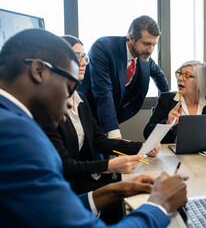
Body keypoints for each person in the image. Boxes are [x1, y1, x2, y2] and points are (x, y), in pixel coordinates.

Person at [0, 28, 187, 227]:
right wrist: (159, 205)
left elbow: (52, 211)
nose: (71, 104)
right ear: (38, 72)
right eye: (68, 88)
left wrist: (117, 190)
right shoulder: (16, 136)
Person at [44, 35, 160, 224]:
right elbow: (65, 166)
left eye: (84, 56)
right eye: (76, 56)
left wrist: (142, 147)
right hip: (68, 190)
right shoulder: (49, 109)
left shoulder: (81, 99)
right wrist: (110, 166)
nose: (83, 62)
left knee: (137, 197)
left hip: (86, 181)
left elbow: (99, 141)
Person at [79, 15, 169, 139]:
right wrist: (114, 133)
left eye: (154, 45)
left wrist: (167, 105)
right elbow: (103, 93)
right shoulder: (103, 48)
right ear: (131, 37)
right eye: (146, 44)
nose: (150, 50)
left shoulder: (144, 57)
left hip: (110, 116)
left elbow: (159, 77)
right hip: (87, 114)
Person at [143, 60, 206, 143]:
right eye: (179, 74)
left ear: (200, 80)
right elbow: (147, 134)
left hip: (203, 154)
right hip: (172, 154)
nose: (180, 78)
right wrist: (167, 123)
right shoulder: (166, 99)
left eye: (186, 75)